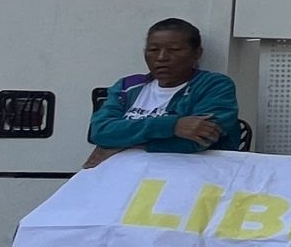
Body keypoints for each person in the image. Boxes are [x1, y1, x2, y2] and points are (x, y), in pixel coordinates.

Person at [87, 19, 238, 164]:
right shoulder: (128, 86)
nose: (161, 58)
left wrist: (124, 145)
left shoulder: (214, 85)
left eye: (174, 50)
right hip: (122, 176)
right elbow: (99, 131)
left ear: (197, 53)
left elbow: (199, 140)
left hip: (189, 177)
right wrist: (172, 126)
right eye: (153, 50)